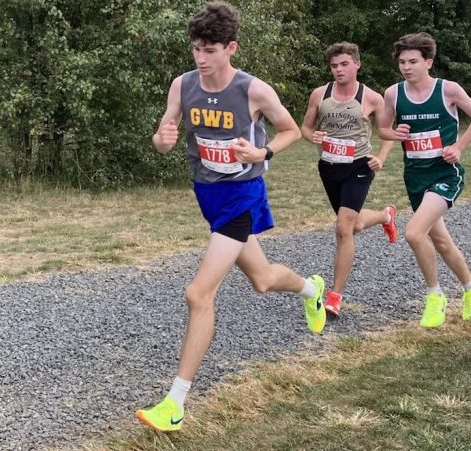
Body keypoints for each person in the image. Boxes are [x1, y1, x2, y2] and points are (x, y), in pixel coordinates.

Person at [134, 1, 326, 432]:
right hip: (208, 195)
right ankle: (310, 287)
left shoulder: (253, 90)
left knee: (198, 294)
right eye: (196, 49)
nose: (201, 59)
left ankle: (175, 403)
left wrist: (263, 152)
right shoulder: (182, 86)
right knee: (262, 279)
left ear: (231, 48)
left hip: (242, 195)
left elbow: (292, 129)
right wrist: (161, 139)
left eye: (210, 50)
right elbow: (165, 139)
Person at [378, 32, 471, 328]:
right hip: (415, 175)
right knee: (441, 241)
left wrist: (458, 147)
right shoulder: (393, 94)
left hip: (445, 173)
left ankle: (435, 296)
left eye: (413, 61)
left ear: (428, 62)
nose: (406, 66)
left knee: (414, 233)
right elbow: (382, 128)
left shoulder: (449, 90)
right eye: (402, 61)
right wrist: (396, 134)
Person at [301, 42, 398, 317]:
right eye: (334, 66)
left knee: (343, 228)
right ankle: (385, 216)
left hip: (359, 166)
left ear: (357, 64)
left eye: (344, 64)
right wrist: (313, 136)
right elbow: (306, 127)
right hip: (329, 167)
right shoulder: (320, 94)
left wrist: (381, 156)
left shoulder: (372, 98)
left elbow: (386, 132)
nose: (339, 70)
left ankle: (335, 296)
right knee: (352, 227)